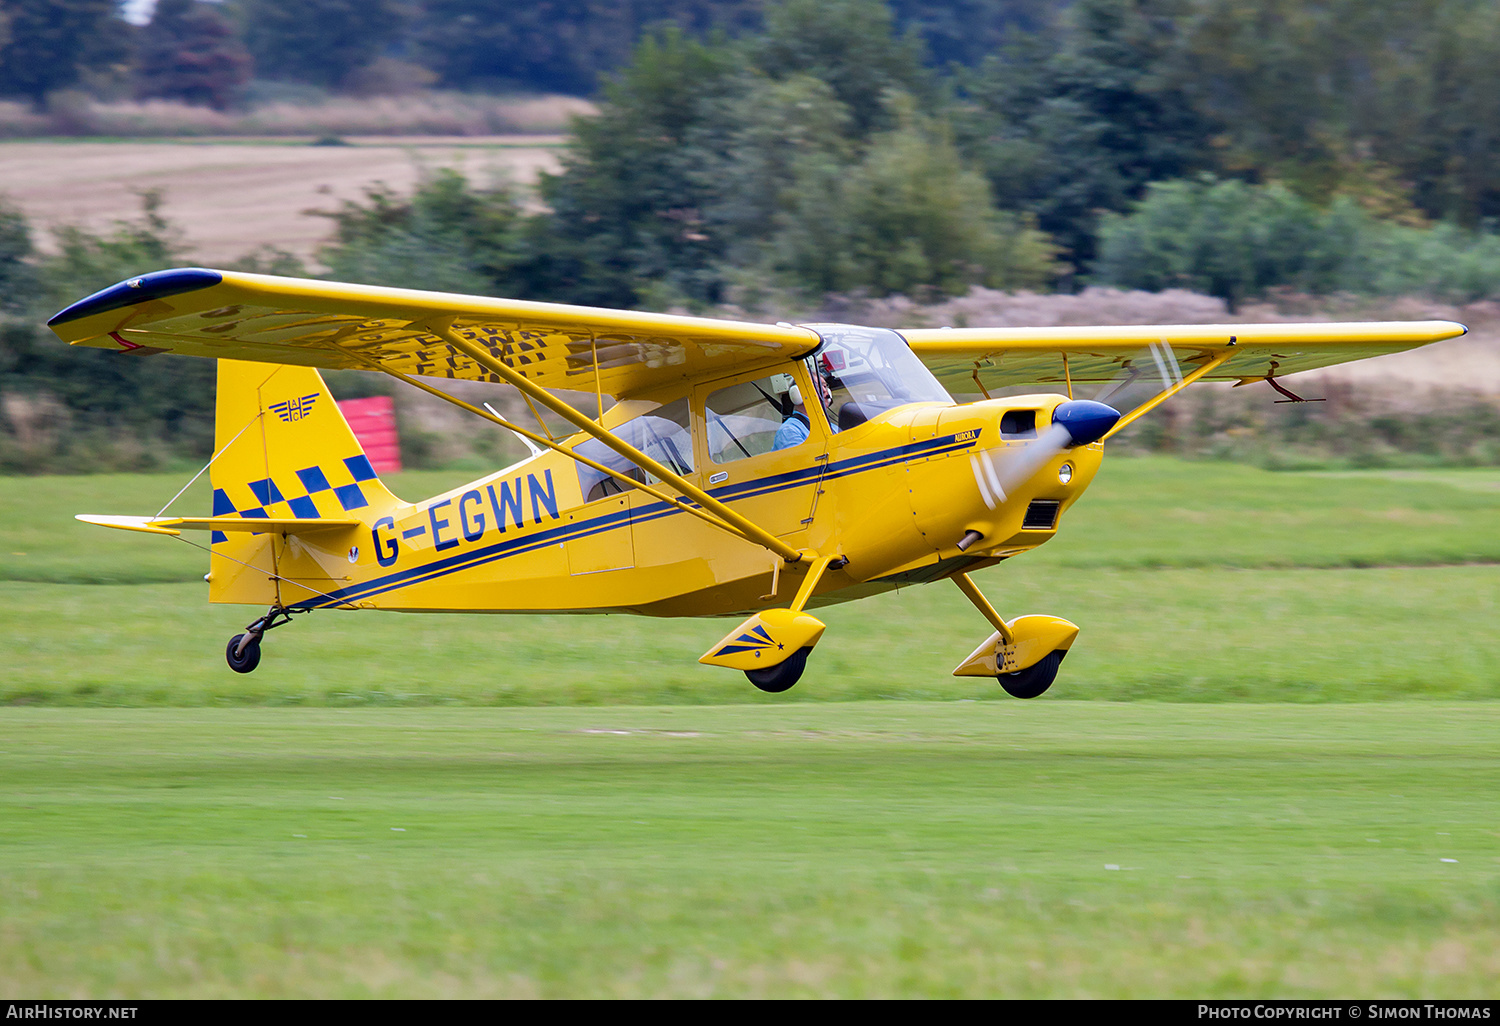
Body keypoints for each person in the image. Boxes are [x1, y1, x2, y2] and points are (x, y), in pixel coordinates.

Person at [773, 384, 810, 450]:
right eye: (819, 386)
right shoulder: (789, 430)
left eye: (825, 386)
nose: (825, 390)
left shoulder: (832, 427)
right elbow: (802, 459)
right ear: (798, 393)